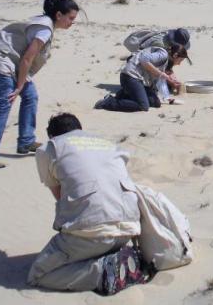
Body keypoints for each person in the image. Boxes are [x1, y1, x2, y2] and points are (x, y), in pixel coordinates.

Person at [28, 113, 148, 294]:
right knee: (98, 239)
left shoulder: (49, 148)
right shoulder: (108, 144)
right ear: (79, 129)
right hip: (130, 228)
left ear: (51, 135)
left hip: (91, 233)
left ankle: (102, 272)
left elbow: (59, 195)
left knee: (38, 274)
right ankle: (123, 258)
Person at [0, 0, 80, 169]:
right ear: (59, 15)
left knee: (31, 96)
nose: (72, 22)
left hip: (8, 62)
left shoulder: (45, 23)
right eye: (71, 18)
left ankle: (26, 141)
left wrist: (23, 84)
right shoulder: (45, 29)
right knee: (3, 106)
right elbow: (26, 59)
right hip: (0, 63)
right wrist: (20, 85)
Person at [96, 43, 189, 112]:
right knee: (143, 106)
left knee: (156, 103)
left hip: (138, 80)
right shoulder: (163, 54)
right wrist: (160, 74)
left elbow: (158, 81)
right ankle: (108, 102)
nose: (179, 63)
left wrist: (167, 97)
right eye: (180, 60)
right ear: (175, 55)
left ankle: (124, 94)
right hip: (130, 76)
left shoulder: (165, 62)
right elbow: (144, 60)